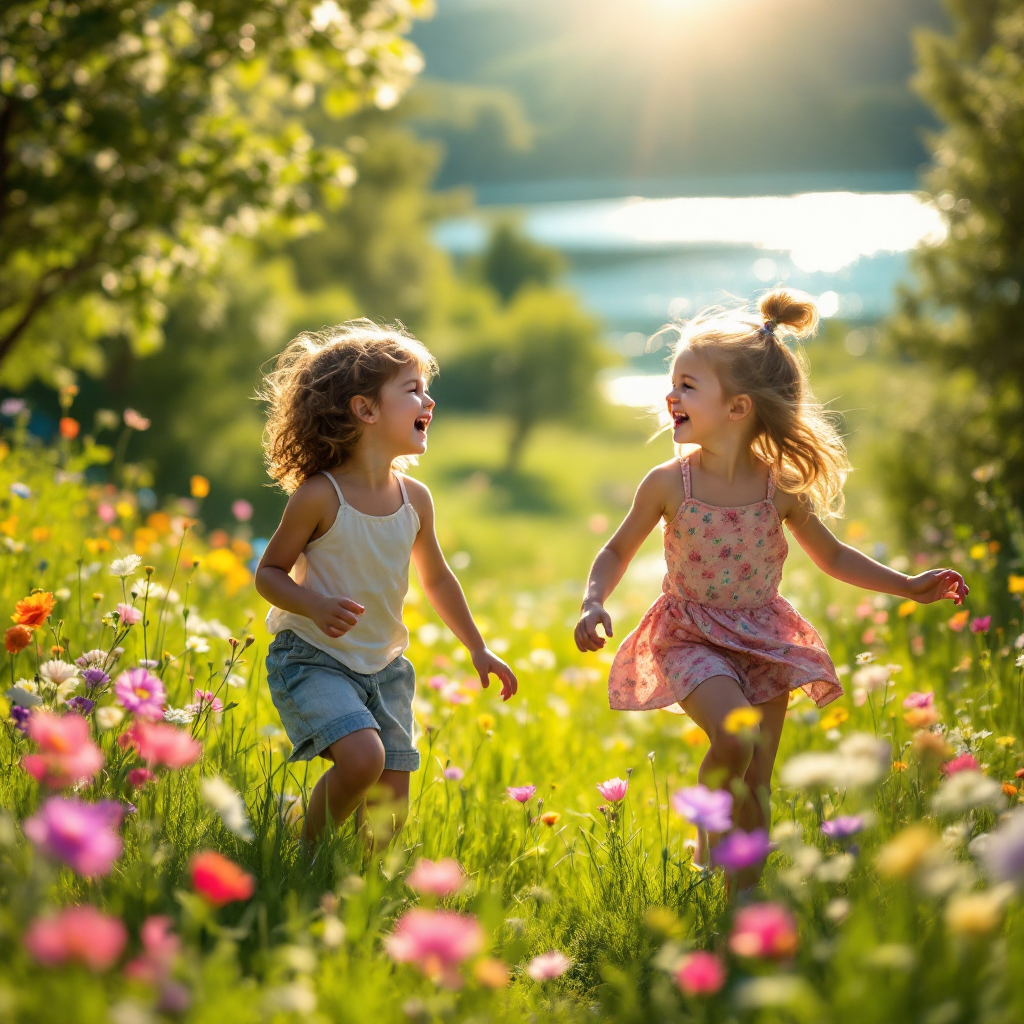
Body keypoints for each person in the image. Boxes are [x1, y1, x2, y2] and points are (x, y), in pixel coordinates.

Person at [574, 288, 967, 877]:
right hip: (689, 635)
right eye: (673, 381)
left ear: (737, 408)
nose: (670, 394)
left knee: (756, 783)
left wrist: (908, 586)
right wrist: (593, 599)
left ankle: (743, 901)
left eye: (687, 385)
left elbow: (833, 556)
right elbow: (616, 548)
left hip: (764, 636)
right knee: (734, 739)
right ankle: (705, 828)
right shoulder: (667, 483)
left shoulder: (778, 488)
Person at [255, 320, 517, 846]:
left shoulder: (415, 499)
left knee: (389, 813)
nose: (429, 400)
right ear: (365, 409)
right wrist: (313, 605)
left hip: (385, 667)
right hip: (312, 657)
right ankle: (304, 857)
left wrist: (478, 647)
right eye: (413, 389)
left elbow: (437, 578)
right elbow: (269, 574)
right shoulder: (319, 496)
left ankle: (357, 885)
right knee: (363, 759)